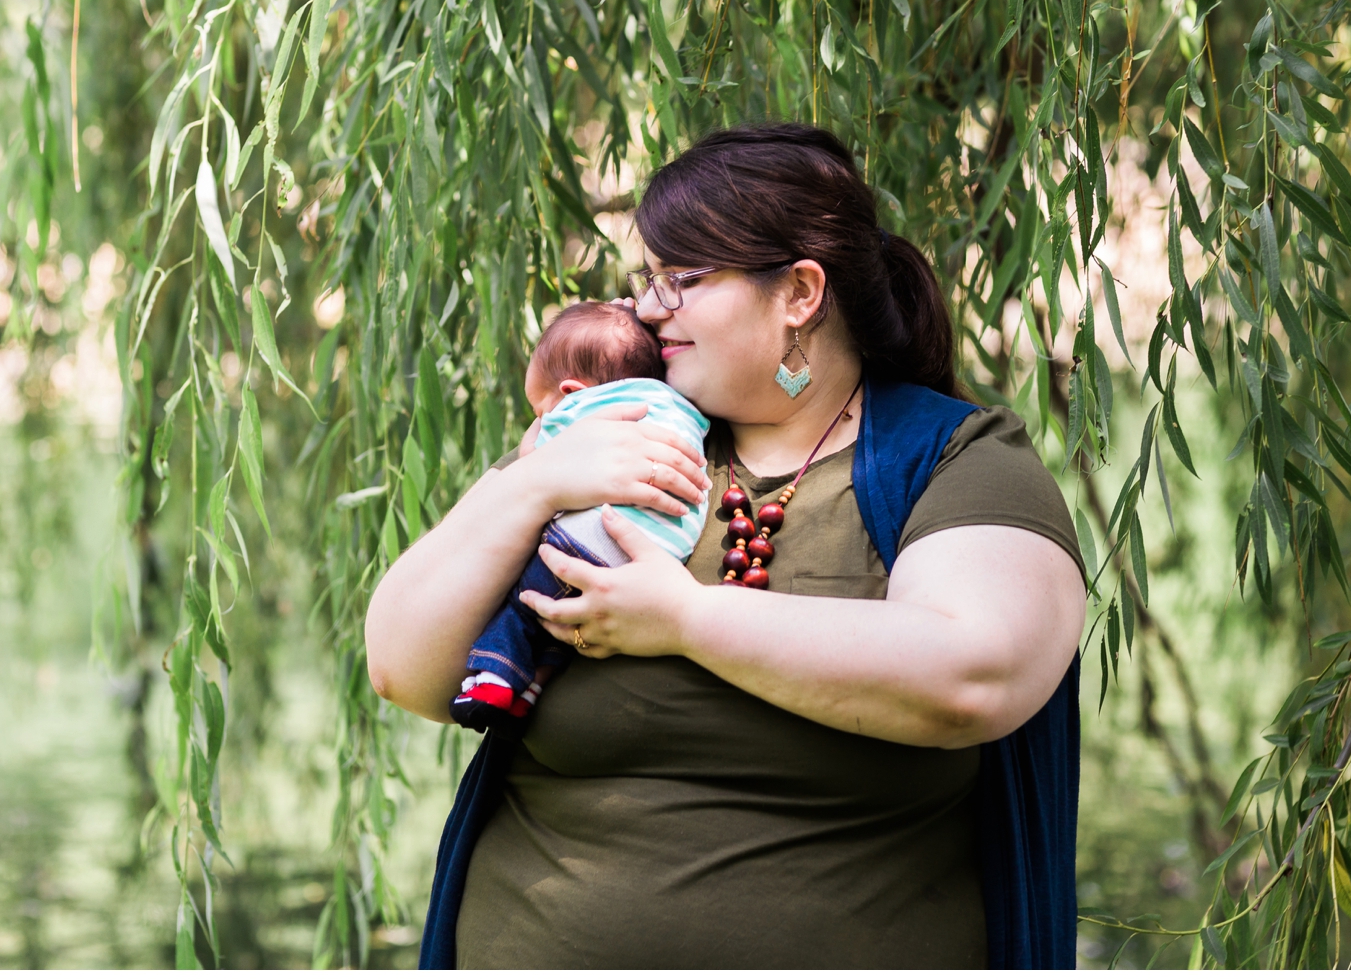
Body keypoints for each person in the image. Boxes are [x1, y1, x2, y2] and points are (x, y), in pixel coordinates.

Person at [364, 123, 1088, 969]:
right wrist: (532, 482)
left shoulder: (954, 458)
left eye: (683, 279)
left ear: (800, 292)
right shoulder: (611, 435)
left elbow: (976, 672)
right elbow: (403, 668)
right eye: (649, 279)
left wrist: (687, 620)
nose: (645, 307)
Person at [452, 301, 709, 731]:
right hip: (664, 550)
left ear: (572, 392)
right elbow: (611, 344)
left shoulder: (582, 413)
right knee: (564, 619)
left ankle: (492, 680)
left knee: (522, 605)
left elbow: (540, 462)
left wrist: (534, 449)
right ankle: (531, 688)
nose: (543, 417)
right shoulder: (680, 406)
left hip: (594, 537)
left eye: (541, 409)